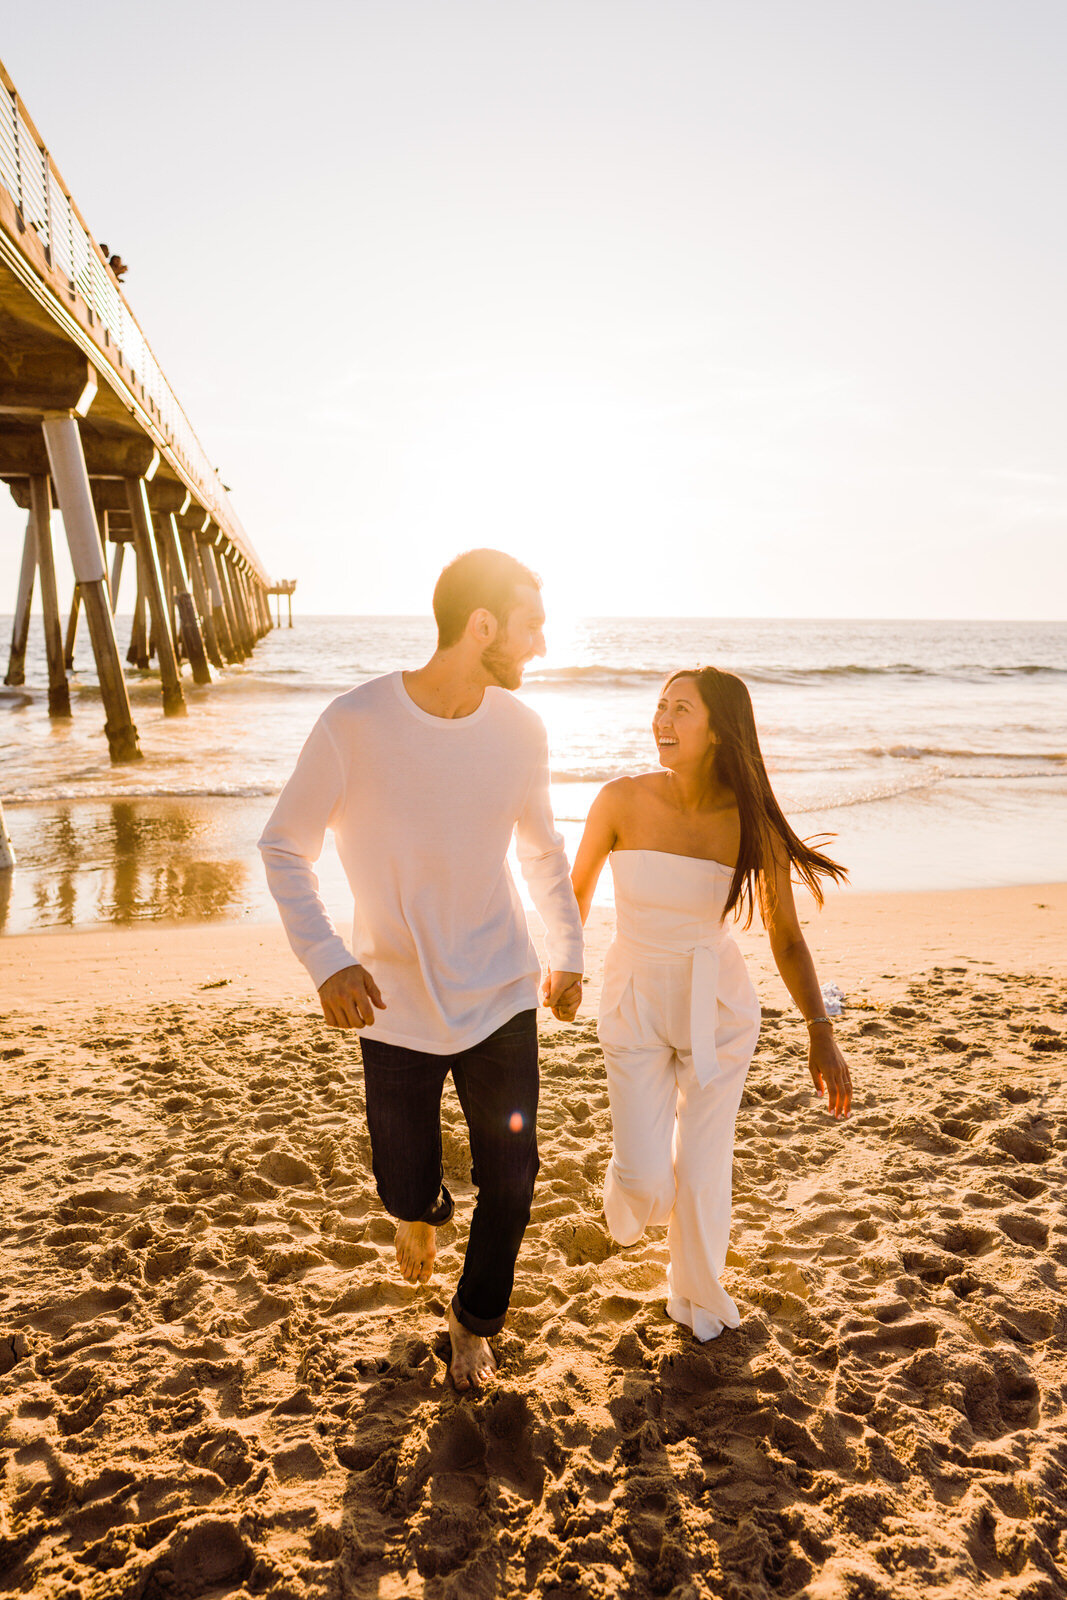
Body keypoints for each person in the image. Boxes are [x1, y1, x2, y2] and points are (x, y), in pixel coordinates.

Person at [258, 550, 583, 1391]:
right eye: (529, 626)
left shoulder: (520, 730)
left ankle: (474, 1322)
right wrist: (327, 960)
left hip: (501, 991)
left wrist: (568, 954)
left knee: (512, 1176)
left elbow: (544, 852)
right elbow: (284, 845)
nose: (541, 645)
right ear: (482, 627)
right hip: (393, 1003)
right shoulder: (354, 724)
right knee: (402, 1179)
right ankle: (418, 1213)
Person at [570, 666, 853, 1342]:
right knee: (640, 1179)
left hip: (716, 1011)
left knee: (700, 1168)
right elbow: (571, 894)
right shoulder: (619, 800)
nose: (662, 721)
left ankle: (696, 1295)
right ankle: (647, 1200)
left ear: (718, 731)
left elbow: (785, 938)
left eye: (680, 709)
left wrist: (821, 1031)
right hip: (633, 997)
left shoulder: (748, 822)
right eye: (659, 706)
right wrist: (563, 967)